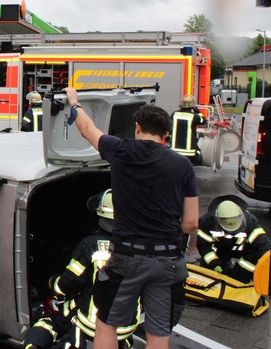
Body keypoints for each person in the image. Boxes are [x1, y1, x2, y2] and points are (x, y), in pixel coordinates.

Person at [63, 87, 199, 349]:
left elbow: (87, 130)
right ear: (166, 134)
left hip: (127, 258)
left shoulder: (121, 150)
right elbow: (191, 222)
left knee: (106, 323)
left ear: (138, 127)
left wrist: (74, 102)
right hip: (168, 261)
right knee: (159, 333)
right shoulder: (182, 165)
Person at [23, 190, 139, 349]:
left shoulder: (90, 245)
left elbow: (69, 284)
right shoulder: (139, 247)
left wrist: (52, 282)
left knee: (48, 323)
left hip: (91, 323)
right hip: (126, 327)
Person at [196, 196, 271, 283]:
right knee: (208, 276)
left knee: (238, 278)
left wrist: (264, 275)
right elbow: (204, 245)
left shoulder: (251, 222)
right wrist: (213, 262)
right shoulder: (206, 222)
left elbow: (264, 248)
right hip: (220, 250)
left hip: (245, 251)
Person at [170, 95, 206, 165]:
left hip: (174, 151)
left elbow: (168, 126)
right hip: (189, 152)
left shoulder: (174, 114)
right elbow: (203, 120)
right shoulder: (194, 116)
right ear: (193, 106)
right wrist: (198, 111)